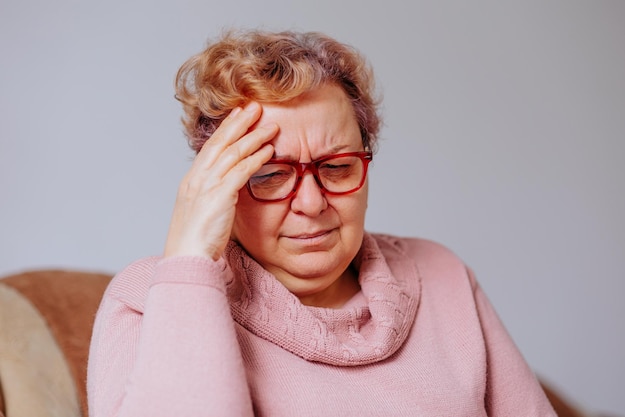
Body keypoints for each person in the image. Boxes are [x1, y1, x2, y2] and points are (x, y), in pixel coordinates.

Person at [87, 29, 556, 416]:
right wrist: (190, 261)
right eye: (269, 175)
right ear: (217, 184)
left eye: (336, 167)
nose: (311, 203)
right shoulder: (150, 298)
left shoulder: (443, 276)